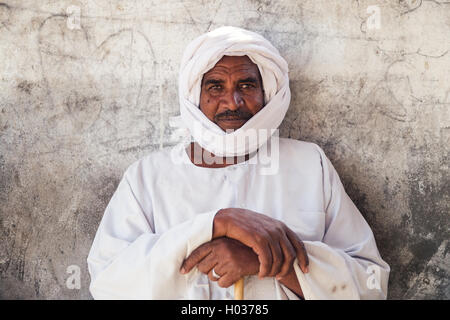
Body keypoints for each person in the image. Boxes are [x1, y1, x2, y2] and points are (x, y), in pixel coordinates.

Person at [87, 26, 390, 299]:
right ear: (195, 95)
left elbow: (370, 284)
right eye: (216, 86)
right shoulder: (148, 177)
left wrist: (268, 262)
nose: (232, 102)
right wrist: (217, 223)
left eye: (246, 85)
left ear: (266, 93)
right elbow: (109, 284)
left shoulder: (310, 165)